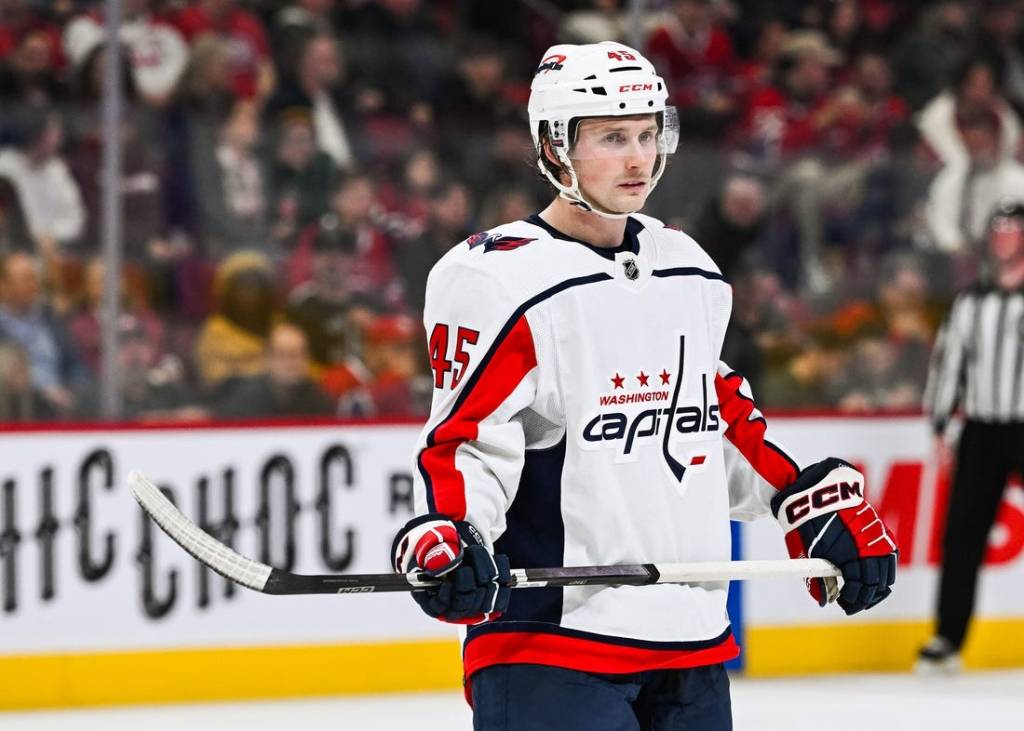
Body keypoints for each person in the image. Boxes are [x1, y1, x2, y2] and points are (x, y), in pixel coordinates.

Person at [390, 42, 898, 729]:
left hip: (689, 641)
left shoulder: (686, 266)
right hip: (552, 648)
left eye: (647, 133)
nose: (638, 159)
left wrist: (800, 499)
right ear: (553, 145)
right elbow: (468, 442)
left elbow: (712, 418)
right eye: (610, 137)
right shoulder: (498, 279)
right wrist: (452, 530)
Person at [919, 201, 1024, 673]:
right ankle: (948, 636)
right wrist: (940, 425)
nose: (1002, 236)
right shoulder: (971, 301)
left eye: (1012, 229)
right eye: (997, 228)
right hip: (981, 430)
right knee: (962, 535)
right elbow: (949, 365)